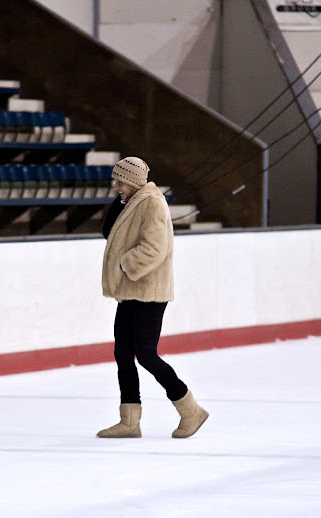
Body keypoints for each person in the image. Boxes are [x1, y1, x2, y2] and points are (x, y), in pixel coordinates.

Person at [96, 157, 208, 439]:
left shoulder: (153, 203)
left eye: (120, 181)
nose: (115, 186)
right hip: (131, 291)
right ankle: (129, 421)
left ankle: (190, 409)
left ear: (132, 181)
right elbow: (108, 232)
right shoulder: (132, 202)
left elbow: (155, 248)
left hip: (148, 291)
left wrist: (124, 264)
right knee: (123, 352)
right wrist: (120, 202)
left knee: (145, 353)